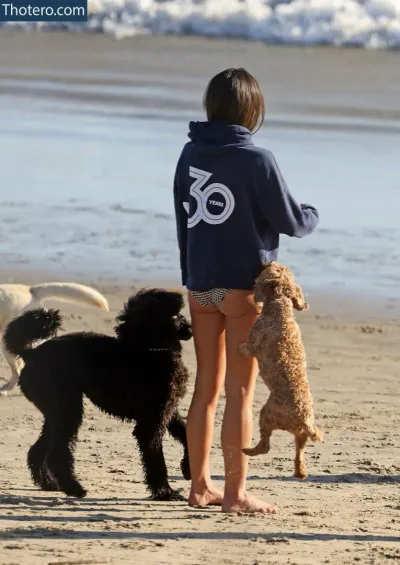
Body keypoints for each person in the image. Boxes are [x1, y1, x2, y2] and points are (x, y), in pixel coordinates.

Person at [173, 68, 319, 513]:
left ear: (211, 106)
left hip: (200, 287)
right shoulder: (258, 159)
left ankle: (199, 487)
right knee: (238, 393)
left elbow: (184, 221)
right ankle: (234, 494)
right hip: (242, 291)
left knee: (206, 390)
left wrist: (191, 275)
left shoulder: (188, 153)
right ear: (252, 110)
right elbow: (292, 221)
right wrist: (313, 213)